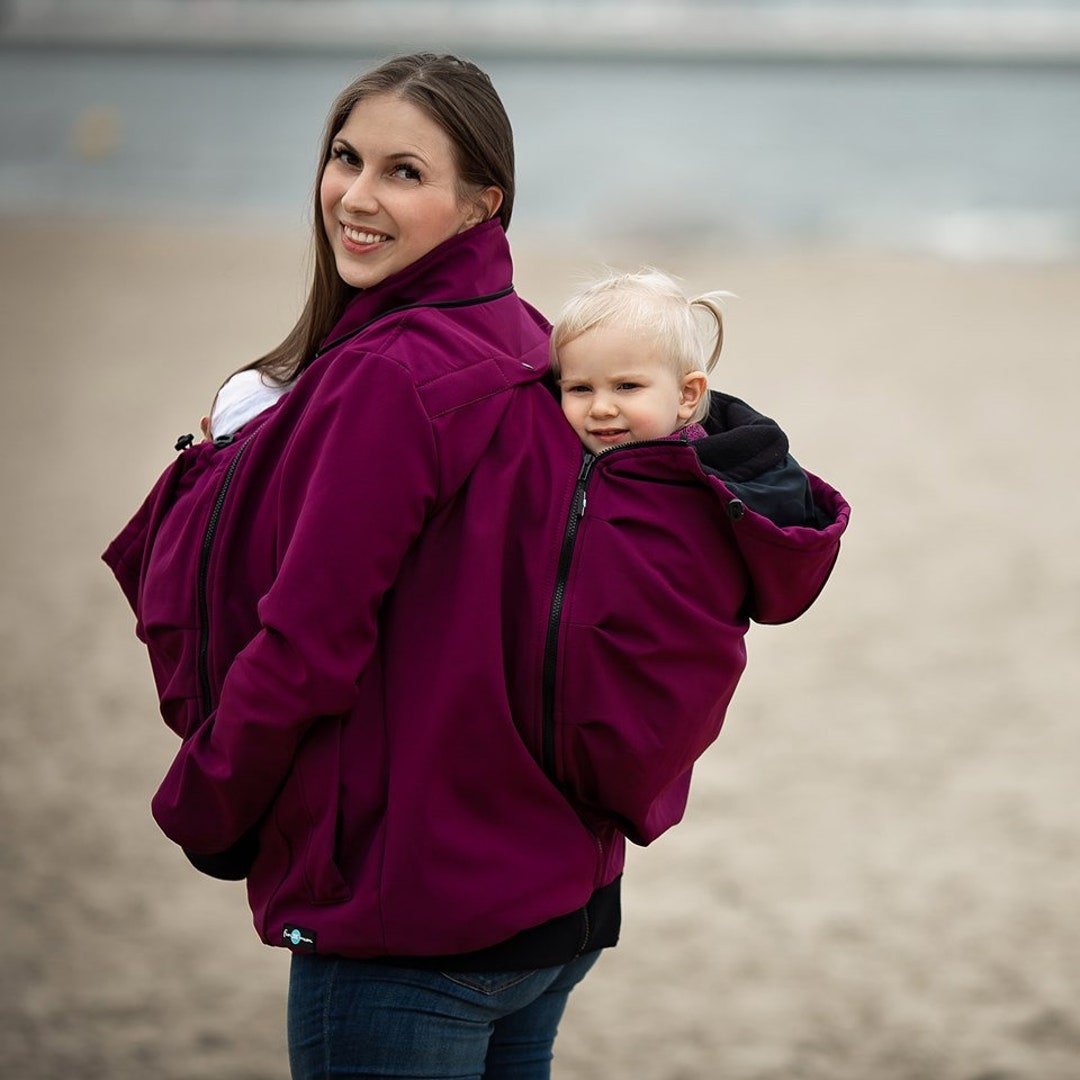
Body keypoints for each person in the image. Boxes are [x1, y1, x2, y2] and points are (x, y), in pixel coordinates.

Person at [103, 53, 850, 1080]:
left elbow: (309, 643)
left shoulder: (391, 378)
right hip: (553, 903)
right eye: (345, 158)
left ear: (480, 202)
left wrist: (205, 805)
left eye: (405, 172)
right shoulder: (531, 343)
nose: (357, 197)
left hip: (409, 920)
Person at [550, 268, 729, 454]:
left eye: (627, 386)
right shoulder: (559, 459)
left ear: (686, 394)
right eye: (581, 388)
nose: (600, 409)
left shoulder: (694, 478)